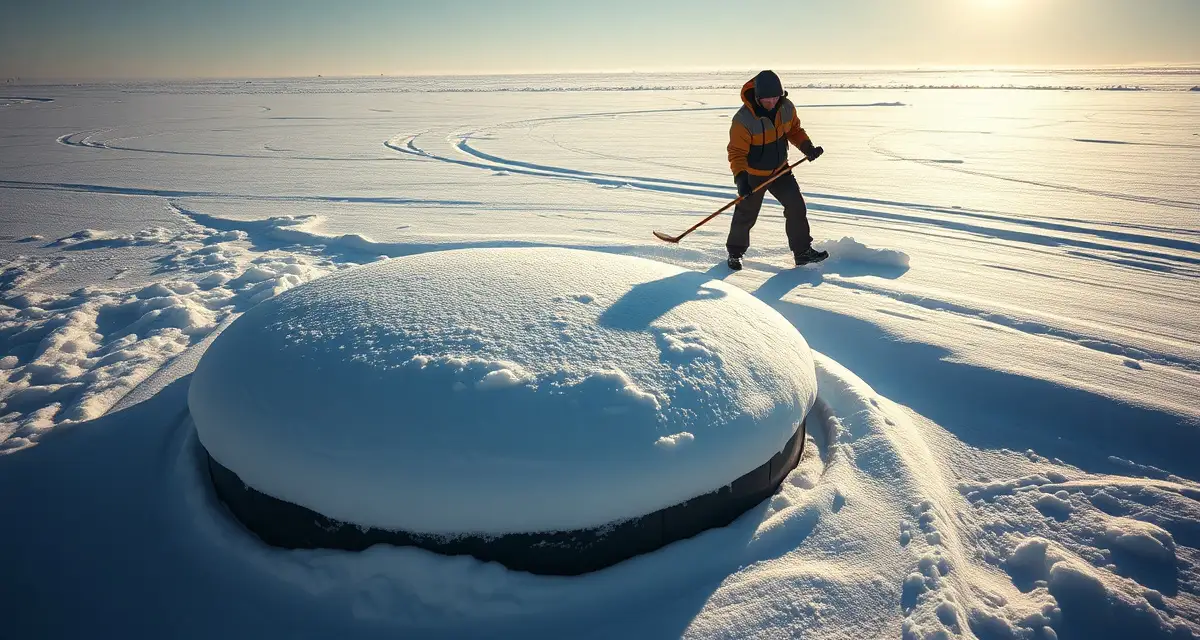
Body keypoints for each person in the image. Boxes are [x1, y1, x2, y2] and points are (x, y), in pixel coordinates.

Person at [725, 70, 826, 270]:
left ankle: (802, 252)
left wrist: (807, 148)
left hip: (780, 171)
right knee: (746, 214)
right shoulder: (743, 120)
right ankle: (735, 253)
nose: (771, 102)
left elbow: (794, 130)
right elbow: (736, 152)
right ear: (757, 97)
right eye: (766, 99)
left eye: (775, 98)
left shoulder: (786, 108)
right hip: (754, 174)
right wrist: (741, 179)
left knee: (796, 206)